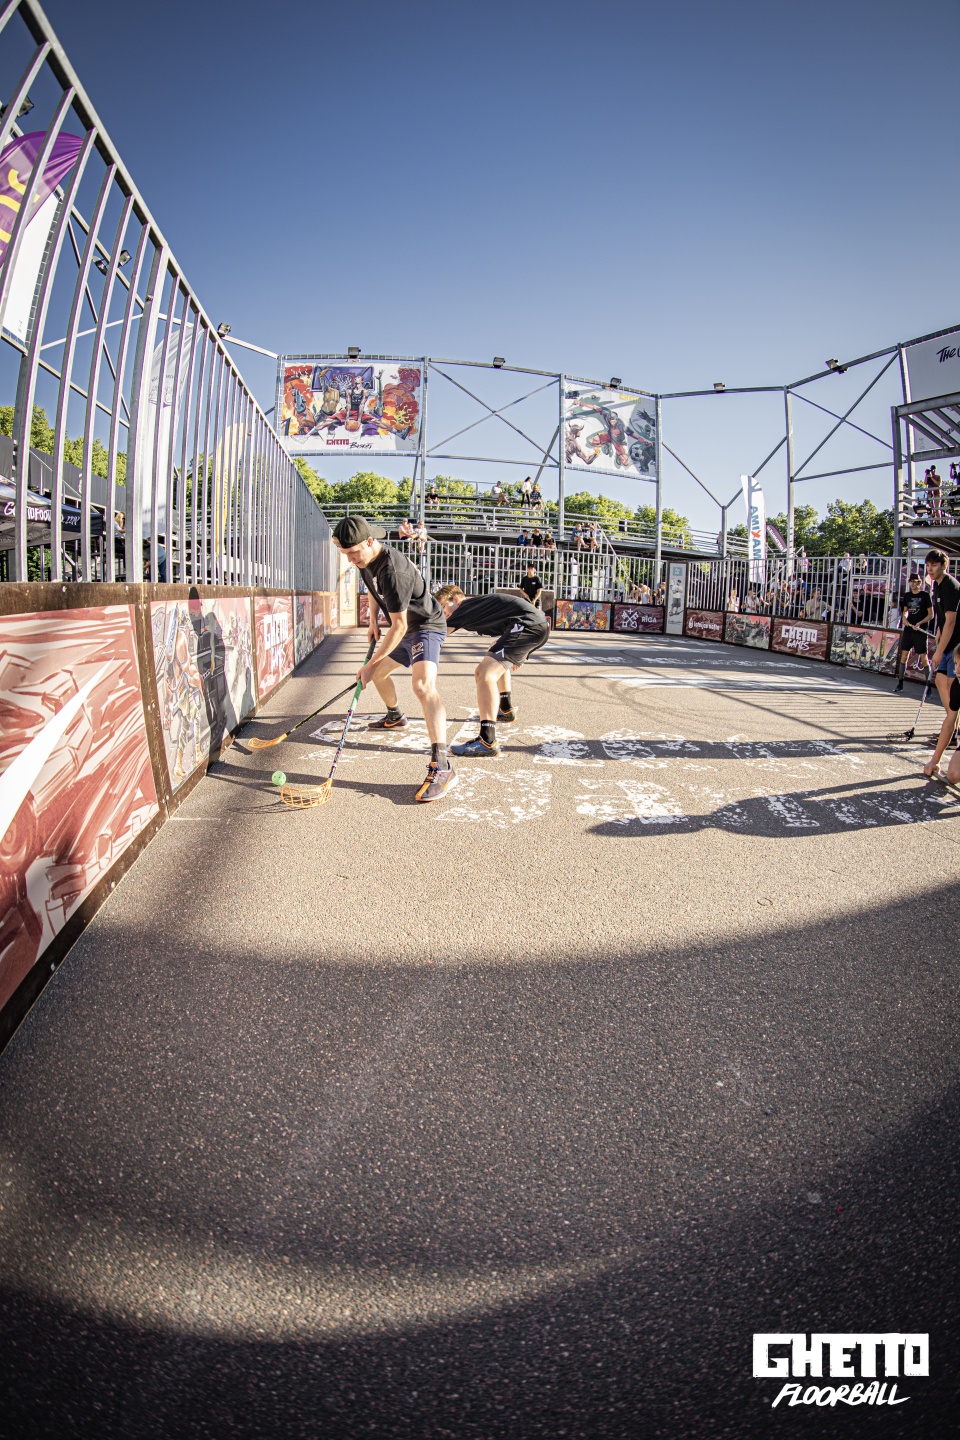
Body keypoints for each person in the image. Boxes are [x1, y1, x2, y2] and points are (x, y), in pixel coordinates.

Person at [332, 515, 457, 803]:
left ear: (370, 541)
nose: (350, 559)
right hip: (405, 627)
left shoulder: (393, 570)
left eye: (353, 553)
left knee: (422, 686)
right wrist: (373, 620)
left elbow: (399, 626)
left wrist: (370, 664)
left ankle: (443, 767)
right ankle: (395, 716)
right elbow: (372, 588)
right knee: (379, 675)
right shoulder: (365, 561)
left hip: (425, 626)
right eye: (345, 554)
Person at [436, 585, 550, 757]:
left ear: (456, 600)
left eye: (444, 607)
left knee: (484, 673)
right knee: (494, 653)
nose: (444, 614)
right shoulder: (478, 606)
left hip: (528, 626)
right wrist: (519, 650)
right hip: (533, 625)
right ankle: (506, 709)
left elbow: (438, 634)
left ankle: (487, 741)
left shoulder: (464, 607)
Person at [923, 550, 960, 752]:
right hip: (948, 641)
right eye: (928, 565)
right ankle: (951, 725)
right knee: (940, 680)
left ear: (944, 566)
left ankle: (952, 732)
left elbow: (952, 621)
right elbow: (942, 617)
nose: (930, 569)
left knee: (953, 688)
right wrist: (938, 630)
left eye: (934, 565)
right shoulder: (936, 585)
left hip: (956, 645)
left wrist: (939, 651)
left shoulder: (950, 586)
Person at [924, 642, 960, 786]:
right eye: (956, 663)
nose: (957, 670)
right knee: (953, 775)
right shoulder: (957, 684)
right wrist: (935, 760)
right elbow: (950, 722)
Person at [894, 572, 933, 692]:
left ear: (919, 583)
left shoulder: (925, 596)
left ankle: (928, 687)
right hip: (909, 630)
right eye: (910, 581)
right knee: (904, 656)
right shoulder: (907, 596)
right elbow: (905, 611)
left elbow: (931, 615)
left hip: (920, 631)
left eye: (914, 582)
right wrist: (904, 619)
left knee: (924, 658)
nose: (912, 584)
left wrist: (920, 623)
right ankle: (900, 683)